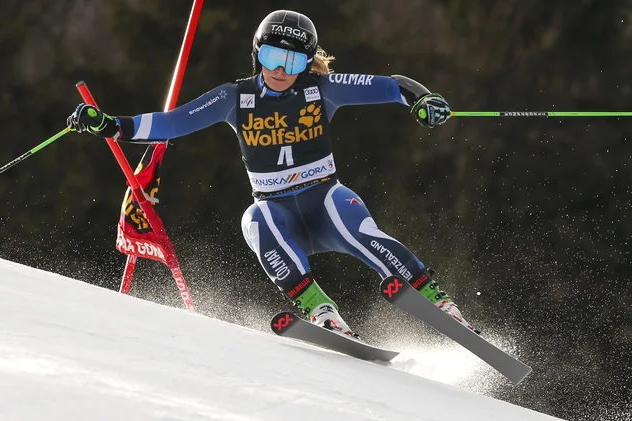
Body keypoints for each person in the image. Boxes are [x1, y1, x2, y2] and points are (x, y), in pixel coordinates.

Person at [68, 10, 477, 336]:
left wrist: (425, 100)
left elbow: (393, 86)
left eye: (293, 60)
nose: (280, 69)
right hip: (277, 211)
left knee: (352, 222)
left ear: (307, 61)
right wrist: (110, 125)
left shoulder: (322, 88)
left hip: (324, 200)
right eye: (271, 57)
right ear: (256, 54)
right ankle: (321, 310)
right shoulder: (235, 97)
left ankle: (438, 301)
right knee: (254, 220)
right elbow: (170, 123)